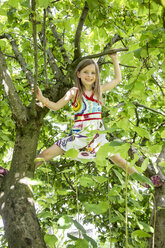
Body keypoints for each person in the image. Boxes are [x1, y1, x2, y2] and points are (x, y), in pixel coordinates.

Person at [34, 53, 137, 175]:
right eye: (86, 72)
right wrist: (41, 98)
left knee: (119, 160)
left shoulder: (98, 91)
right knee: (45, 154)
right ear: (78, 74)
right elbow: (56, 107)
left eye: (93, 73)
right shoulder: (74, 92)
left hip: (96, 137)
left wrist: (115, 59)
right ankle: (19, 174)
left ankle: (146, 182)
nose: (89, 75)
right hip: (79, 136)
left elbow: (117, 79)